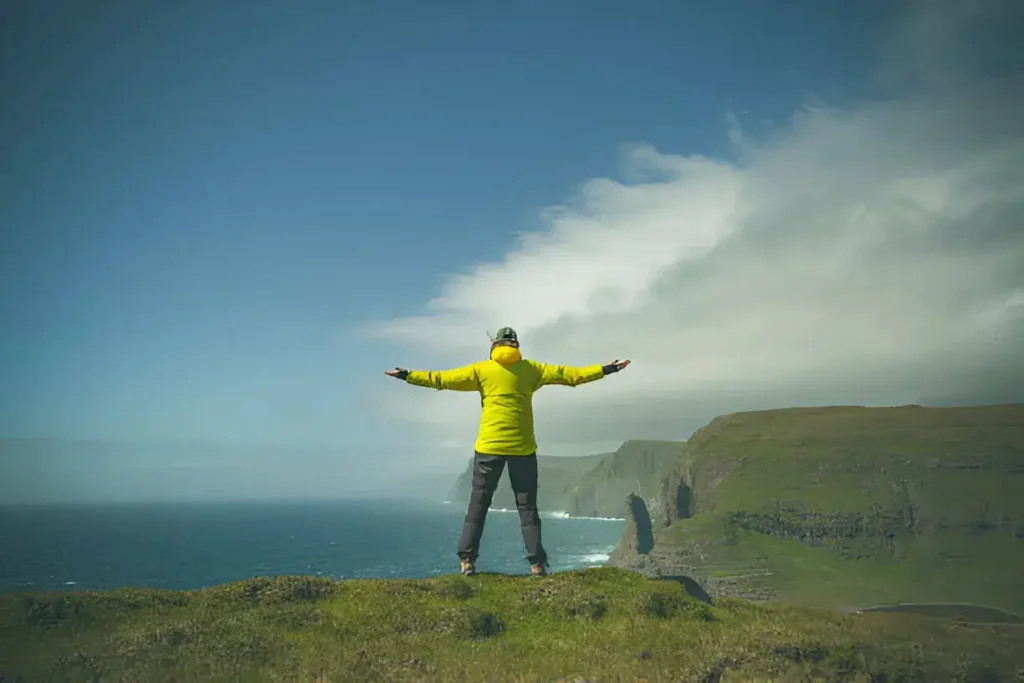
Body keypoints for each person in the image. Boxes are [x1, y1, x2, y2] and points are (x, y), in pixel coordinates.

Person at [385, 326, 631, 577]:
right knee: (527, 509)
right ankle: (537, 564)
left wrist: (407, 375)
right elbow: (572, 375)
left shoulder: (481, 370)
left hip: (488, 448)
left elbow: (440, 379)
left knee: (477, 506)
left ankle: (467, 561)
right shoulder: (532, 369)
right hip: (522, 448)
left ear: (495, 346)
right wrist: (606, 369)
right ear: (516, 345)